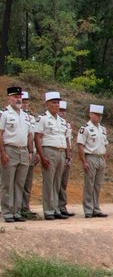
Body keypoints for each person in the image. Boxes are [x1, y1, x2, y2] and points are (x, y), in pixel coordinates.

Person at [34, 91, 71, 220]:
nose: (56, 105)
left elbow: (65, 138)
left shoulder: (61, 121)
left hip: (61, 152)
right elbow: (37, 137)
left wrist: (66, 155)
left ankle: (55, 209)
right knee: (49, 182)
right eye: (54, 102)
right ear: (47, 104)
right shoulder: (43, 118)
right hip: (49, 150)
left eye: (58, 103)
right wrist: (42, 156)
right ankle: (48, 210)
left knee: (57, 182)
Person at [1, 85, 32, 223]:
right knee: (8, 183)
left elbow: (30, 135)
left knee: (20, 184)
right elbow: (0, 134)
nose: (18, 99)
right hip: (10, 149)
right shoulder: (4, 114)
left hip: (23, 151)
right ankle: (8, 212)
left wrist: (30, 151)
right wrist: (2, 153)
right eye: (15, 97)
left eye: (20, 97)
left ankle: (17, 212)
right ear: (9, 98)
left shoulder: (25, 115)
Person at [76, 104, 109, 218]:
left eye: (100, 115)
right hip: (90, 156)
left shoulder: (103, 128)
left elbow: (105, 144)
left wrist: (105, 158)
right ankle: (88, 209)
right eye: (96, 115)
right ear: (90, 114)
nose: (99, 117)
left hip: (100, 157)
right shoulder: (85, 128)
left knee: (97, 185)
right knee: (89, 184)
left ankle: (96, 208)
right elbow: (80, 145)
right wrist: (84, 161)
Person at [18, 91, 35, 218]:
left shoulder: (31, 117)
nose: (24, 104)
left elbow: (34, 136)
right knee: (13, 182)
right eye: (22, 101)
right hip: (15, 150)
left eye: (26, 102)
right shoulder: (5, 114)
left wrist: (34, 152)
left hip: (30, 152)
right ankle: (12, 208)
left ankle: (25, 207)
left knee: (27, 182)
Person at [57, 100, 75, 217]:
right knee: (56, 182)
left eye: (63, 111)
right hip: (58, 153)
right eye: (60, 110)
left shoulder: (66, 124)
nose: (62, 113)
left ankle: (62, 206)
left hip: (65, 155)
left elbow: (69, 141)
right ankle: (55, 207)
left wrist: (68, 156)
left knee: (63, 183)